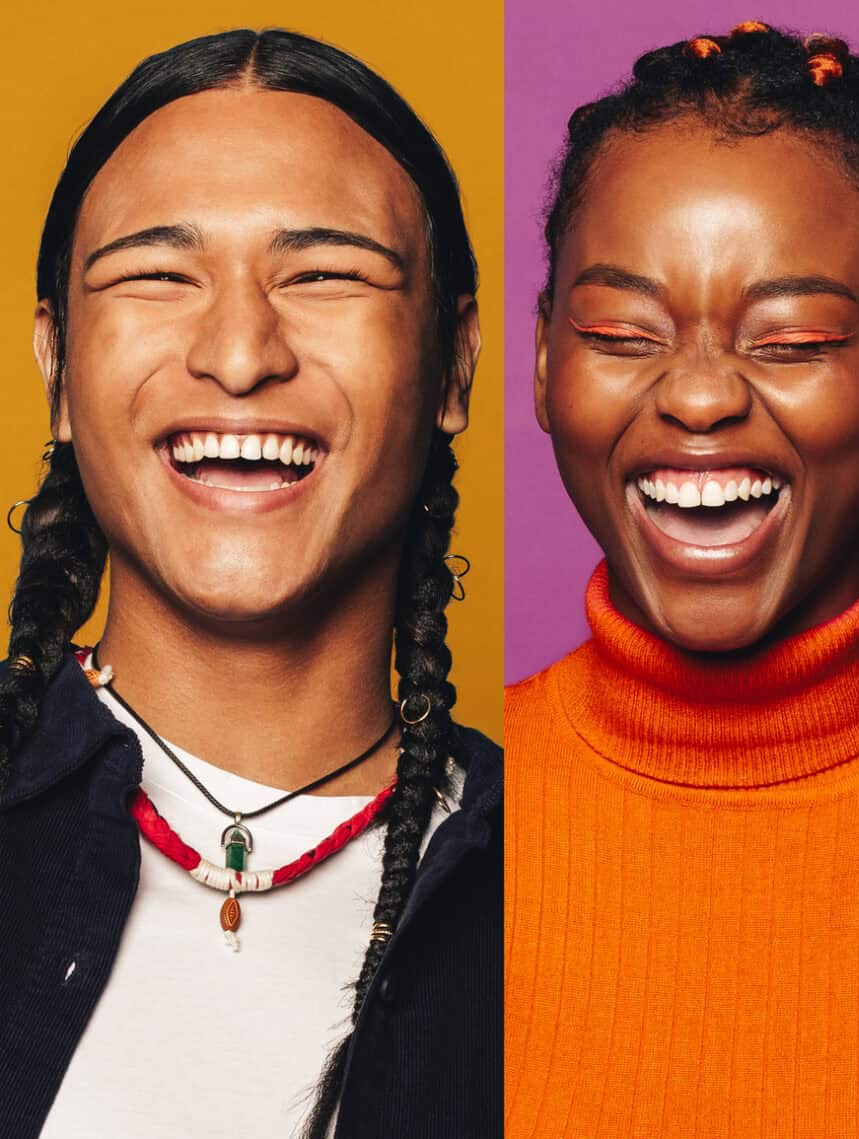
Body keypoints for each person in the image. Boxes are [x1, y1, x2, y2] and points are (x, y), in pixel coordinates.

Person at [505, 22, 859, 1138]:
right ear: (544, 359)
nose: (698, 398)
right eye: (620, 331)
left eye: (788, 340)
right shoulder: (433, 816)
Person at [0, 29, 492, 1139]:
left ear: (453, 364)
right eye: (157, 275)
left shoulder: (562, 885)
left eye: (322, 274)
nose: (237, 351)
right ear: (58, 368)